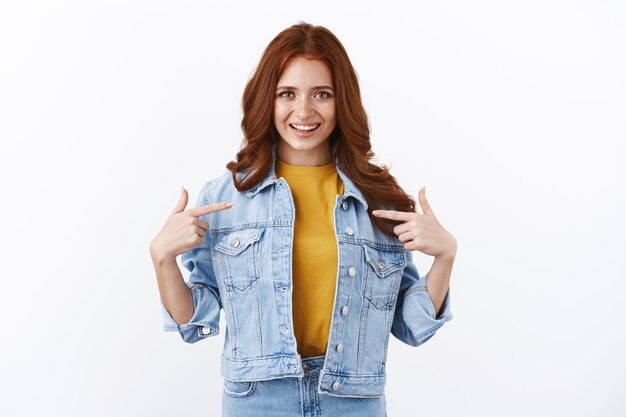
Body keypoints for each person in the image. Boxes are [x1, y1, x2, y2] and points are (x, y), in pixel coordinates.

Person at [149, 21, 456, 417]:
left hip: (353, 402)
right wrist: (162, 259)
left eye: (322, 94)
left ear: (341, 101)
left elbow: (411, 325)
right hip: (258, 401)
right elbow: (195, 322)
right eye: (287, 93)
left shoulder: (376, 198)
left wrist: (445, 257)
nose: (304, 110)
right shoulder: (225, 198)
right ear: (267, 100)